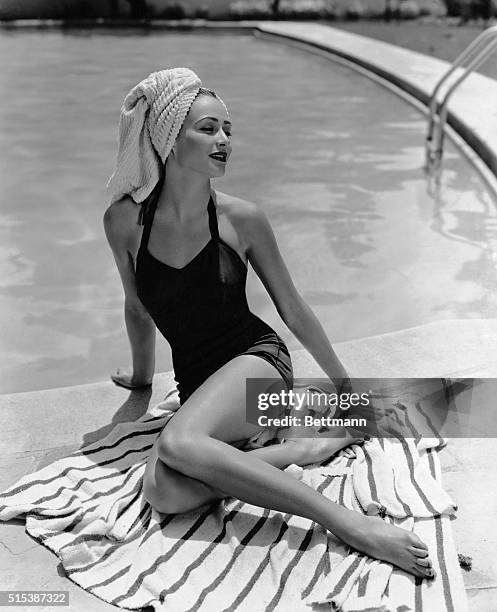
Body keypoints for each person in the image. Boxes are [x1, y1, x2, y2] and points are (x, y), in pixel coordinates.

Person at [103, 67, 434, 579]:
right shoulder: (124, 222)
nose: (224, 140)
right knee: (165, 491)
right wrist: (142, 384)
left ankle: (347, 523)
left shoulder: (241, 219)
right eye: (208, 128)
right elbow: (136, 307)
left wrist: (345, 387)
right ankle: (300, 449)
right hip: (200, 387)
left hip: (257, 363)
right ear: (168, 136)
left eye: (228, 130)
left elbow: (293, 308)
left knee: (176, 445)